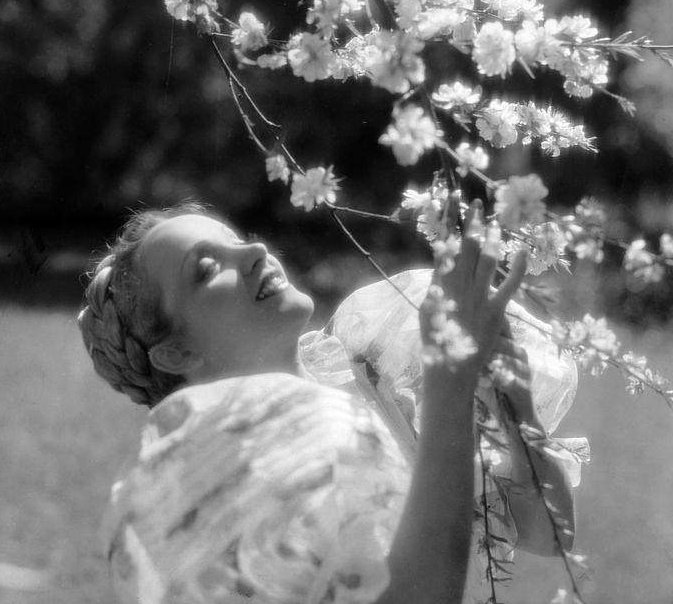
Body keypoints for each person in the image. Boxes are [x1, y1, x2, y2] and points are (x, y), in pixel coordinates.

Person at [78, 200, 587, 604]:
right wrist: (451, 379)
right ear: (175, 352)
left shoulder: (373, 372)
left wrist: (516, 402)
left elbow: (547, 534)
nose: (254, 251)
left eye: (236, 241)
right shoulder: (225, 480)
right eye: (208, 268)